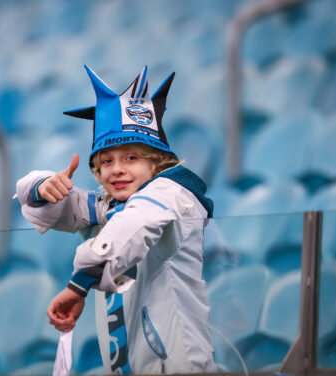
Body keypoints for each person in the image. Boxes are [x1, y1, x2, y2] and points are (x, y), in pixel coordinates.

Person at [15, 65, 216, 374]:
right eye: (106, 161)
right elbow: (65, 208)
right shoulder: (114, 205)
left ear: (157, 162)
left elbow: (131, 228)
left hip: (178, 362)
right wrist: (42, 187)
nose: (117, 169)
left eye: (131, 158)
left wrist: (78, 286)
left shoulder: (169, 193)